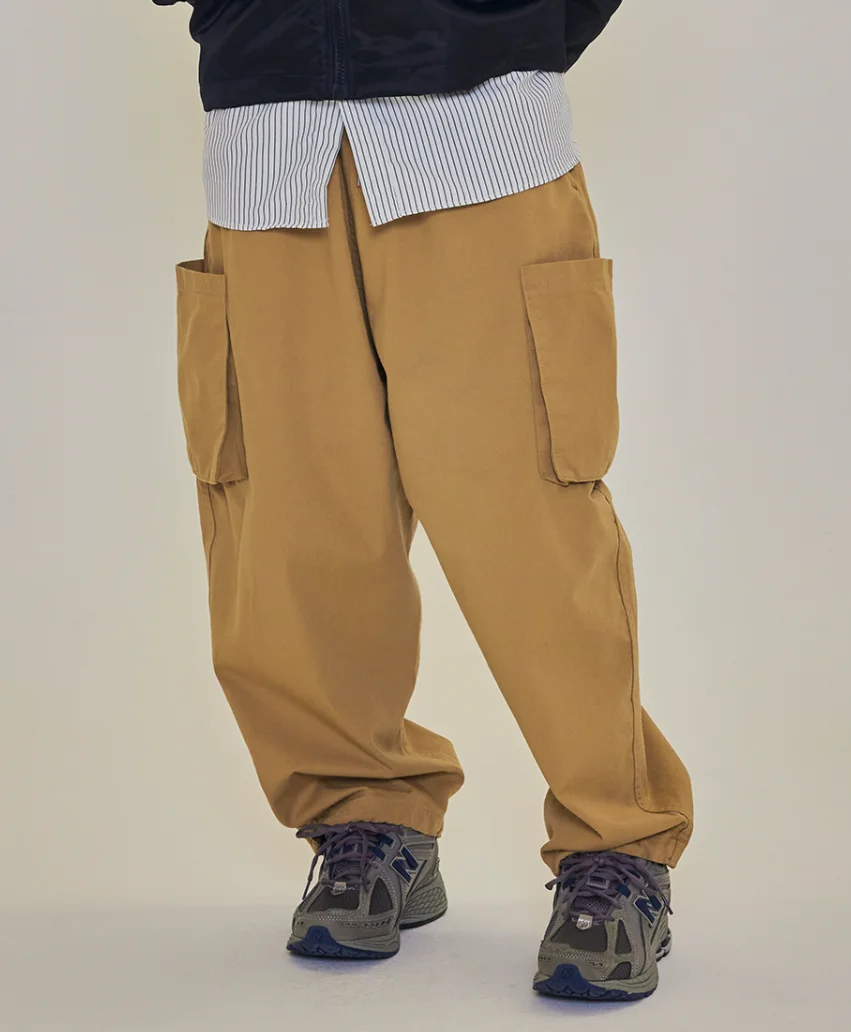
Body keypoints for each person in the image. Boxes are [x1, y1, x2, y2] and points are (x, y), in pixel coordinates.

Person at [155, 0, 693, 1001]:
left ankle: (618, 845)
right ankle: (365, 816)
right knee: (291, 528)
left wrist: (505, 25)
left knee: (527, 528)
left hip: (478, 136)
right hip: (265, 148)